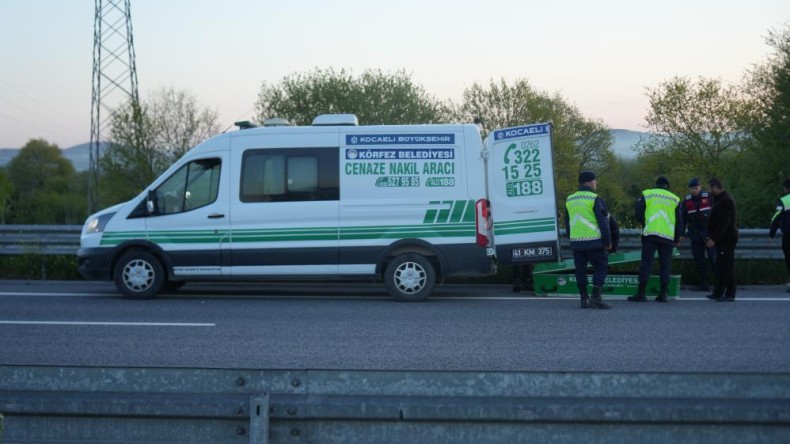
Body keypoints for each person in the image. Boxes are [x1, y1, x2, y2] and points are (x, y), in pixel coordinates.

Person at [628, 176, 683, 303]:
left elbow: (638, 213)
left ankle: (641, 293)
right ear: (667, 186)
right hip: (668, 237)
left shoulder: (647, 194)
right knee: (665, 265)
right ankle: (663, 294)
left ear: (656, 184)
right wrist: (676, 238)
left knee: (646, 263)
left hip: (650, 234)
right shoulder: (674, 199)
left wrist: (645, 222)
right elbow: (679, 221)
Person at [565, 171, 612, 309]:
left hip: (576, 243)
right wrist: (607, 241)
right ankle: (596, 298)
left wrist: (571, 238)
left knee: (580, 270)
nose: (596, 182)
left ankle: (583, 299)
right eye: (594, 180)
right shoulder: (595, 198)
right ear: (588, 182)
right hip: (594, 242)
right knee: (601, 267)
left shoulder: (570, 199)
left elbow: (567, 223)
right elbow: (603, 222)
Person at [705, 178, 739, 302]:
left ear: (715, 187)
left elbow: (724, 223)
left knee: (727, 267)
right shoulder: (720, 199)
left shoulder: (725, 201)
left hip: (726, 239)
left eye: (710, 188)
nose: (709, 191)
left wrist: (714, 239)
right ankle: (718, 292)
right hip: (722, 239)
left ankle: (730, 294)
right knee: (720, 266)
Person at [681, 177, 716, 291]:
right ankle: (704, 283)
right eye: (692, 188)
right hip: (695, 235)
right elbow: (683, 220)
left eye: (696, 188)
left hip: (709, 234)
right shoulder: (686, 201)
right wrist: (681, 234)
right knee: (699, 260)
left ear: (700, 187)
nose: (694, 190)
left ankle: (719, 284)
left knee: (714, 259)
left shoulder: (709, 197)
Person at [769, 178, 790, 293]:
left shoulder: (784, 200)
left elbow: (777, 218)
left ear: (785, 188)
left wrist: (771, 234)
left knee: (789, 257)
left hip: (788, 234)